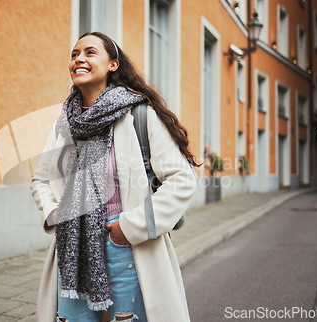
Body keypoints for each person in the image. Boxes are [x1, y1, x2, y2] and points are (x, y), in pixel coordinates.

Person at [31, 31, 198, 322]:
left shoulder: (138, 115)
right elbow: (40, 179)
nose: (79, 58)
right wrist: (54, 213)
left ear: (113, 65)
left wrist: (128, 228)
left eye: (90, 52)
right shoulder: (64, 123)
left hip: (125, 243)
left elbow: (181, 180)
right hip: (73, 246)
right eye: (74, 54)